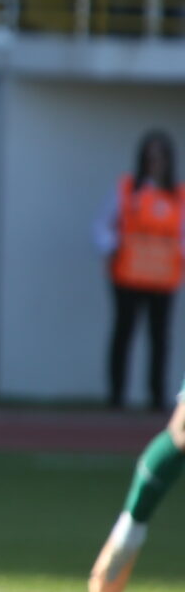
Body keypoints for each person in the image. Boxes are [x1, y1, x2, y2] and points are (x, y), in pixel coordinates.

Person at [97, 132, 182, 415]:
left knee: (160, 338)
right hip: (128, 277)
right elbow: (102, 227)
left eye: (160, 157)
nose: (155, 162)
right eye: (150, 156)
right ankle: (116, 396)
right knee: (124, 333)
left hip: (161, 278)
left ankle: (157, 397)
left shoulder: (177, 195)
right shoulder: (127, 189)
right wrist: (112, 247)